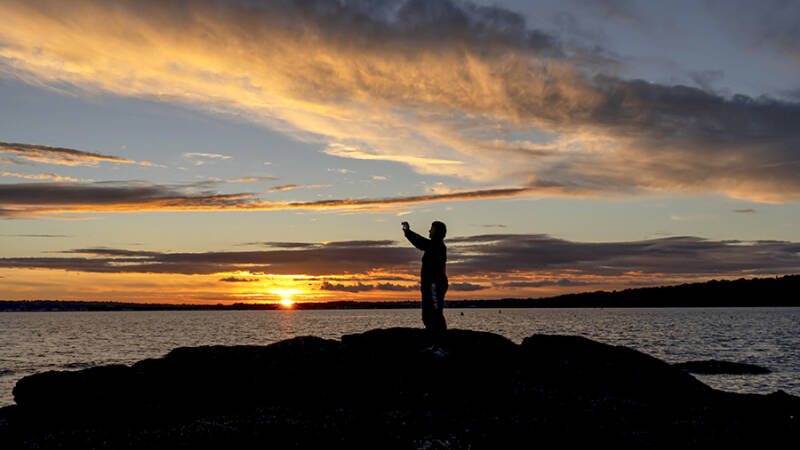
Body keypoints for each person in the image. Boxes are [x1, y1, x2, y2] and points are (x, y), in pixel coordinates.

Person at [402, 221, 448, 343]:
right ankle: (434, 342)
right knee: (428, 315)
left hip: (435, 285)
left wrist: (408, 232)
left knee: (434, 314)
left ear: (437, 232)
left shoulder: (437, 245)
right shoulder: (435, 245)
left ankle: (440, 344)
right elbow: (422, 243)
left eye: (431, 229)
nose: (429, 231)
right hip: (430, 285)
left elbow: (421, 243)